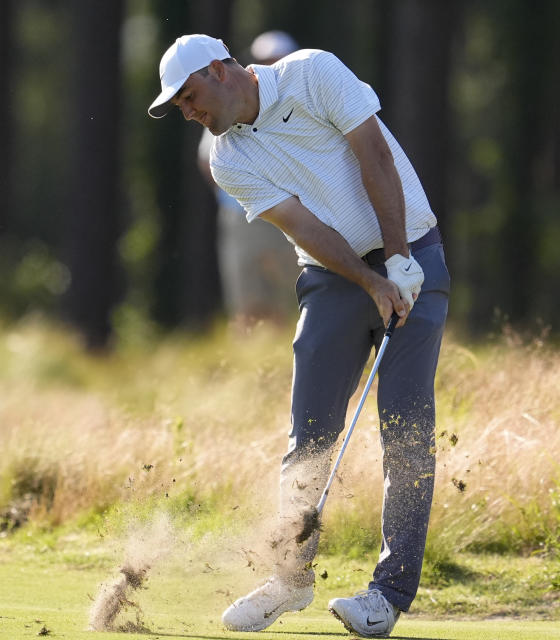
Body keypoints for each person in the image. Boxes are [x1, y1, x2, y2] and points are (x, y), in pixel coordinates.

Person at [148, 34, 449, 638]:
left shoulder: (312, 73)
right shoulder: (228, 158)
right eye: (178, 105)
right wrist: (368, 280)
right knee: (309, 436)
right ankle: (290, 579)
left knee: (406, 433)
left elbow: (375, 157)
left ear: (219, 69)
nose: (187, 111)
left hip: (413, 254)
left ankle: (387, 596)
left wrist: (397, 262)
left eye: (188, 95)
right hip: (333, 277)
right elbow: (304, 227)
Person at [196, 31, 301, 326]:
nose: (271, 65)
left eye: (277, 59)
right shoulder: (229, 103)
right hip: (241, 214)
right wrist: (241, 193)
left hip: (292, 213)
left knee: (289, 296)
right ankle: (252, 365)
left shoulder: (300, 101)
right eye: (265, 59)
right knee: (247, 299)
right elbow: (208, 160)